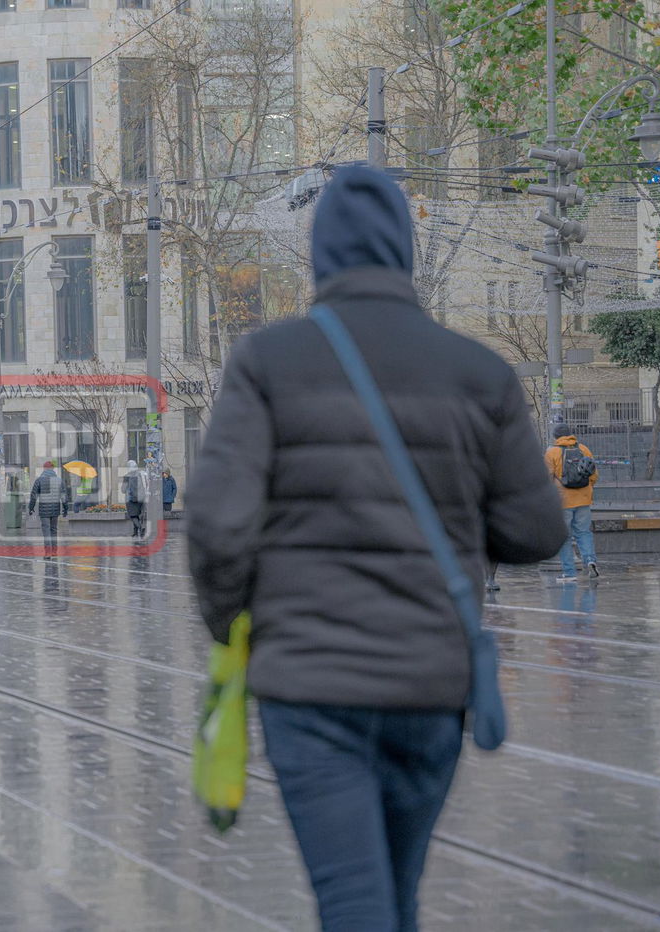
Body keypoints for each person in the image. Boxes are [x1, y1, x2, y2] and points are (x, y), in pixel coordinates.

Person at [185, 165, 566, 932]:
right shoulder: (480, 372)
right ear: (406, 251)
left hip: (310, 687)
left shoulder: (268, 361)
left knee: (354, 902)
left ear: (321, 255)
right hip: (429, 685)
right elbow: (538, 531)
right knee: (395, 897)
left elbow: (218, 527)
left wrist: (236, 630)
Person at [545, 422, 600, 582]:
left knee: (564, 537)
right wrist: (587, 489)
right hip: (584, 499)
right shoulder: (584, 449)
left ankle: (569, 573)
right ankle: (590, 560)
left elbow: (547, 479)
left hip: (562, 501)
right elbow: (594, 475)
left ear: (555, 436)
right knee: (583, 533)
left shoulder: (552, 453)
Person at [27, 461, 70, 558]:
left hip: (44, 510)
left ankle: (48, 553)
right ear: (53, 469)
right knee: (54, 530)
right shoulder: (59, 480)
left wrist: (31, 508)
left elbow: (33, 496)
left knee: (46, 531)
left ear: (44, 469)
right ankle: (55, 552)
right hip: (55, 509)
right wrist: (65, 508)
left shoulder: (39, 480)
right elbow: (64, 497)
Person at [122, 459, 146, 539]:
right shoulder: (140, 474)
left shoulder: (127, 476)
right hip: (140, 499)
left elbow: (123, 489)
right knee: (137, 515)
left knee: (133, 516)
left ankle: (141, 528)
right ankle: (135, 532)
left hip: (130, 500)